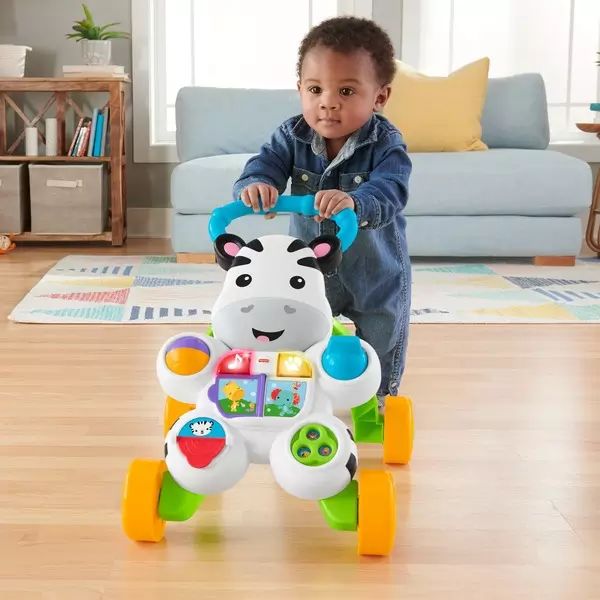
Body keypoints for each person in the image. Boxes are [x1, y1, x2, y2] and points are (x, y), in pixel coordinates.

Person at [232, 16, 412, 404]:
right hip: (309, 266)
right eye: (315, 89)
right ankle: (300, 386)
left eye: (346, 91)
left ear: (379, 97)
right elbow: (265, 164)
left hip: (374, 268)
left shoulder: (386, 144)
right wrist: (257, 184)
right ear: (300, 89)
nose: (328, 102)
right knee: (299, 324)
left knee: (382, 329)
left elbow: (392, 190)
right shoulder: (291, 135)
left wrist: (357, 202)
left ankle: (379, 396)